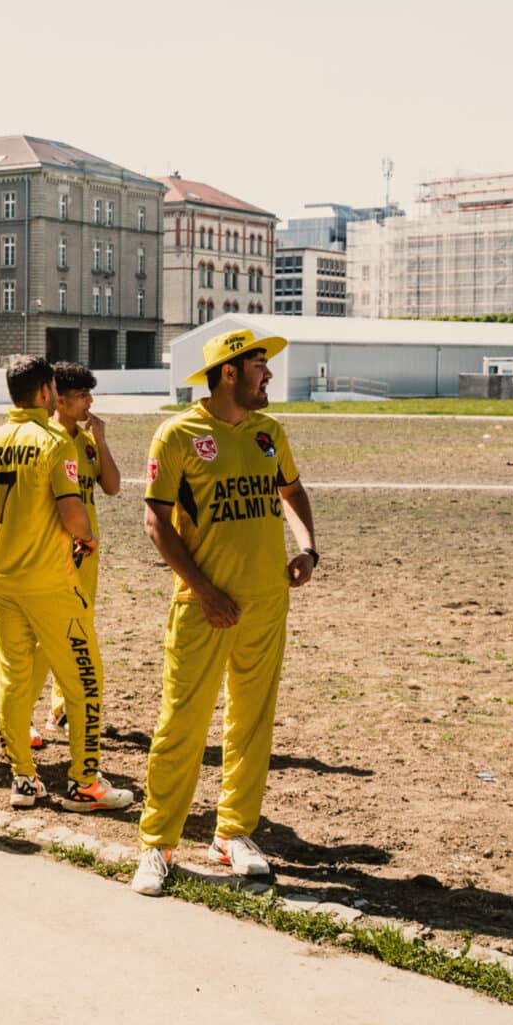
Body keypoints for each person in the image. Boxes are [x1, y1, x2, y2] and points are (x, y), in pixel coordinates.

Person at [131, 327, 319, 896]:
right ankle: (157, 844)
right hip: (204, 605)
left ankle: (233, 832)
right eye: (261, 365)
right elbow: (155, 522)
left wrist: (307, 547)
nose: (270, 375)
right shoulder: (178, 433)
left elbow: (294, 491)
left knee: (252, 722)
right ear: (230, 372)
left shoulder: (269, 432)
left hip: (267, 602)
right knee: (180, 727)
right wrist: (204, 590)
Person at [0, 355, 133, 813]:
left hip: (0, 579)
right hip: (51, 581)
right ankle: (83, 784)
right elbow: (72, 511)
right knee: (84, 680)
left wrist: (15, 537)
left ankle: (23, 780)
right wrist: (85, 538)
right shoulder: (54, 443)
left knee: (14, 682)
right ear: (46, 393)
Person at [28, 361, 121, 749]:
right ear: (58, 400)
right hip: (53, 555)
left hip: (87, 555)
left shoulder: (83, 440)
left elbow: (112, 487)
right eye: (82, 396)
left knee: (78, 633)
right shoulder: (43, 439)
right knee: (42, 640)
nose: (90, 402)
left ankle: (60, 713)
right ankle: (22, 715)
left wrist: (100, 440)